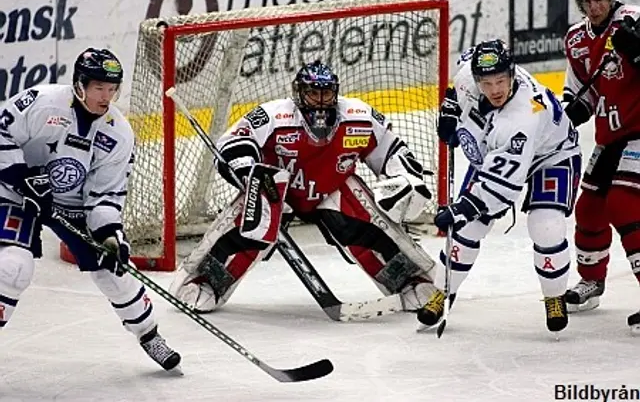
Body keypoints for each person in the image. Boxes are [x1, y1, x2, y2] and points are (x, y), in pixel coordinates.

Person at [169, 60, 437, 314]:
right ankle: (201, 280)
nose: (320, 101)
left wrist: (403, 177)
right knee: (251, 218)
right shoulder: (276, 115)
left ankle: (410, 279)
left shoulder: (359, 117)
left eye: (326, 93)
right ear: (299, 93)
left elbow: (391, 149)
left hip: (331, 188)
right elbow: (236, 141)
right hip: (277, 190)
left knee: (366, 222)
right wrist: (248, 170)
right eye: (312, 93)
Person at [0, 48, 181, 372]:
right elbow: (1, 132)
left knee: (114, 271)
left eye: (112, 89)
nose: (106, 96)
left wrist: (110, 235)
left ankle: (149, 334)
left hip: (72, 204)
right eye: (99, 87)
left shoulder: (118, 133)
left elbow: (106, 195)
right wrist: (20, 177)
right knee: (12, 265)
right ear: (80, 84)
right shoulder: (42, 102)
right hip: (16, 192)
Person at [417, 40, 582, 333]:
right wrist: (452, 110)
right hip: (497, 152)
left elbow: (501, 186)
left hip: (552, 155)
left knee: (546, 226)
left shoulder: (523, 117)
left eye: (501, 81)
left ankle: (554, 296)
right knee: (467, 230)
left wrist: (463, 208)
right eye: (487, 82)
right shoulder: (468, 72)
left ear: (513, 75)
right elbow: (458, 89)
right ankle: (443, 290)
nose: (495, 90)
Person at [561, 0, 640, 330]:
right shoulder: (576, 39)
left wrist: (637, 50)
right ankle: (592, 282)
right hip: (610, 136)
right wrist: (565, 117)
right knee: (589, 207)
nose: (594, 7)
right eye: (586, 1)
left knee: (622, 204)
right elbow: (580, 96)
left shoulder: (634, 20)